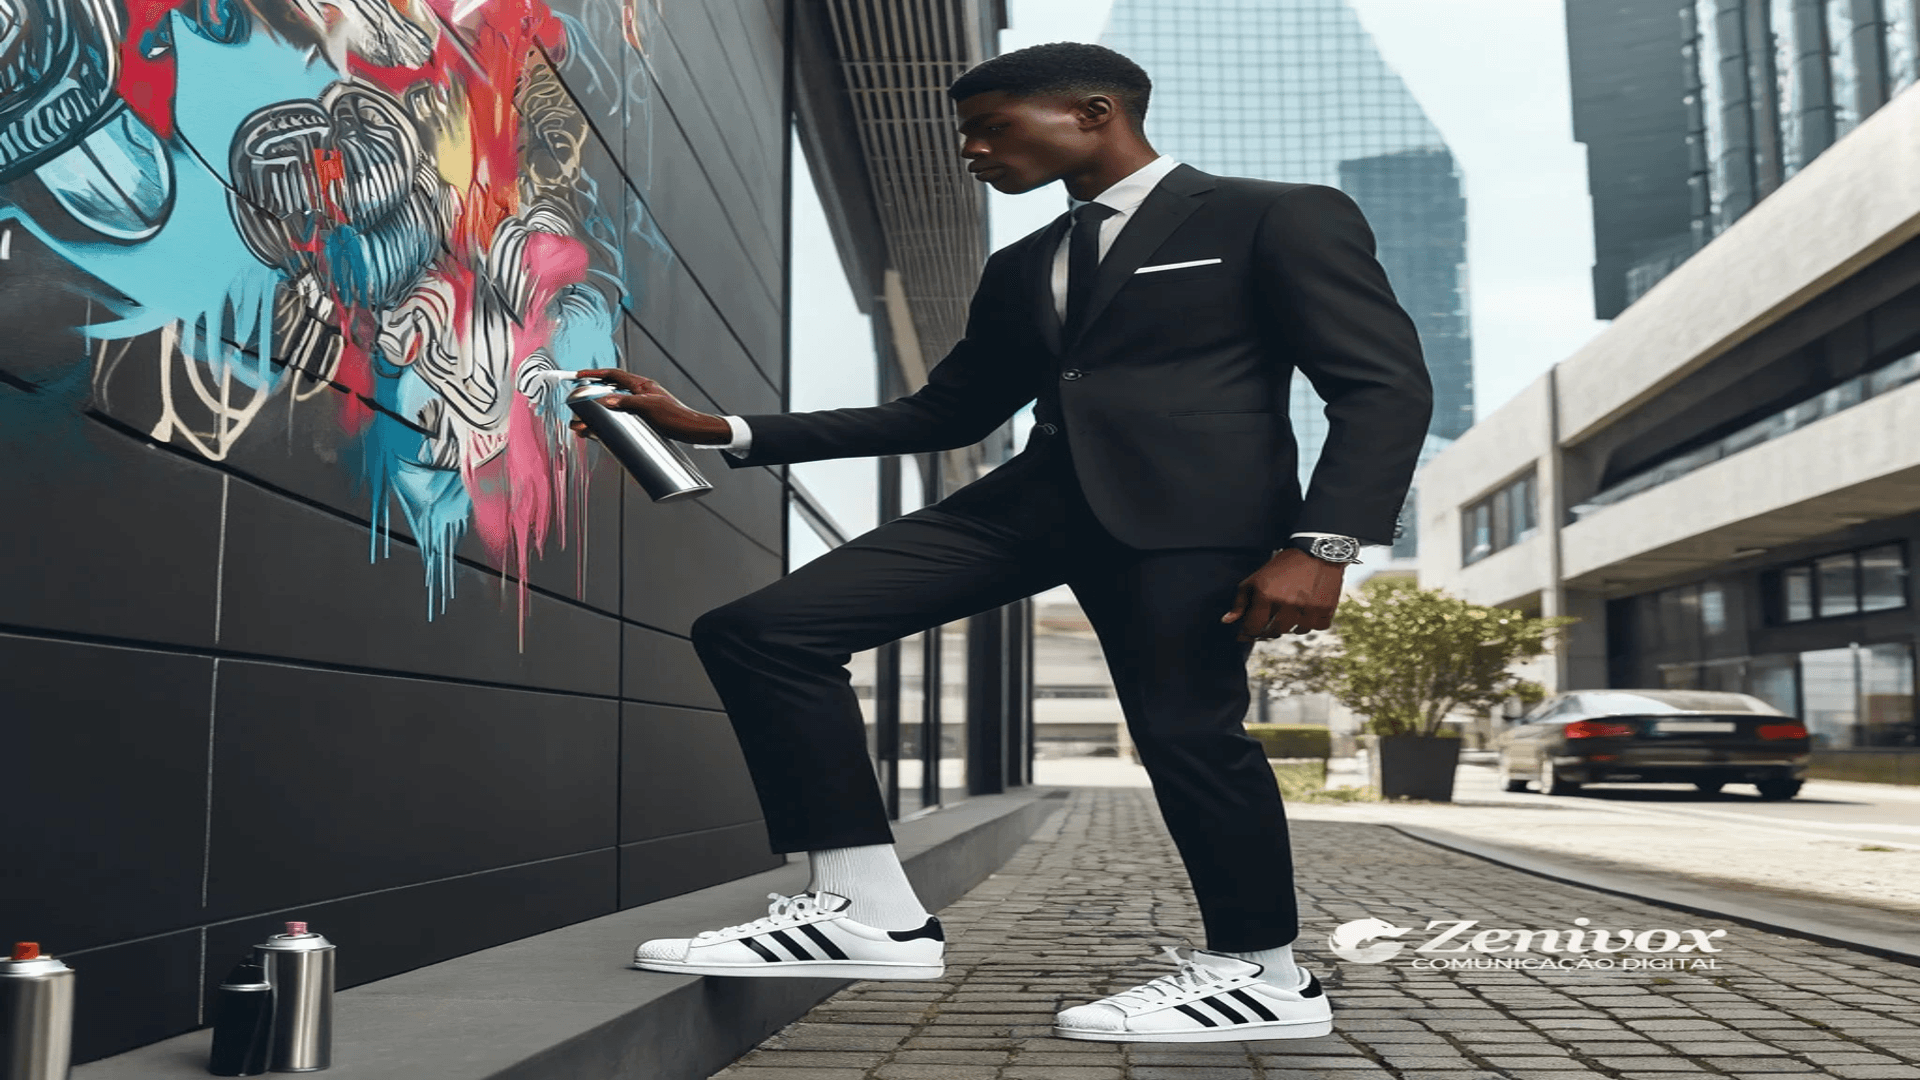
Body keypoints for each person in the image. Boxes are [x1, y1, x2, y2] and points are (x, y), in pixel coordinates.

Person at [569, 41, 1431, 1043]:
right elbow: (947, 412)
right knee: (764, 630)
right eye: (964, 134)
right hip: (1034, 501)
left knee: (1187, 735)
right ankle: (869, 914)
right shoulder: (1028, 262)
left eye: (992, 127)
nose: (971, 150)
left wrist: (1321, 543)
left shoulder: (1272, 215)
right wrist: (730, 431)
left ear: (1093, 112)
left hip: (1196, 519)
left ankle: (1264, 976)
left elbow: (1379, 386)